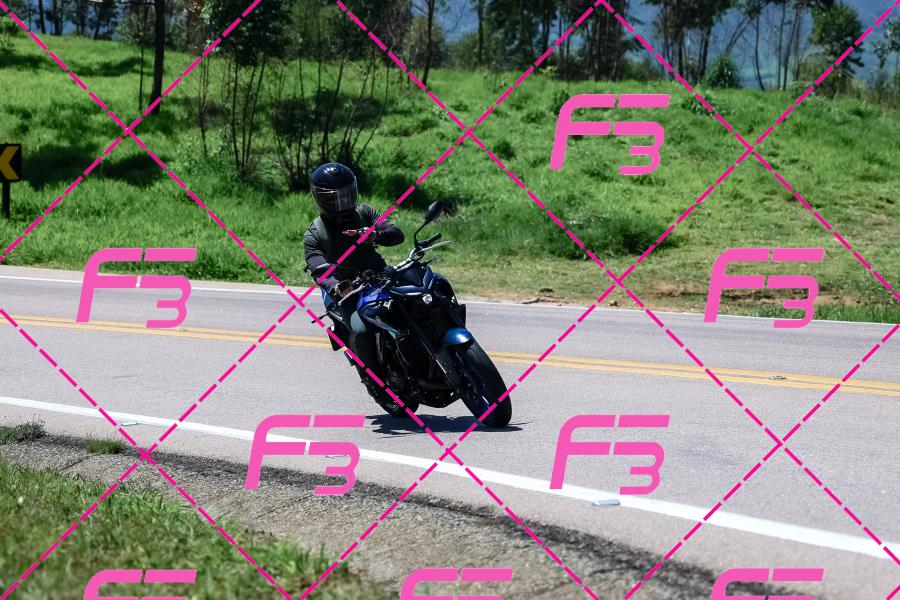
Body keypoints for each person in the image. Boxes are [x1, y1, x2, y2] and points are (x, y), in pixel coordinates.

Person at [303, 162, 405, 409]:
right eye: (334, 198)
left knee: (421, 295)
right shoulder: (314, 234)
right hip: (345, 291)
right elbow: (319, 268)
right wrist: (336, 286)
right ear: (320, 198)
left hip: (379, 277)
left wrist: (373, 235)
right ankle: (376, 382)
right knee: (361, 329)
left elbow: (395, 233)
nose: (342, 203)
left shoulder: (365, 212)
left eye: (346, 195)